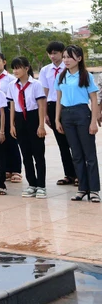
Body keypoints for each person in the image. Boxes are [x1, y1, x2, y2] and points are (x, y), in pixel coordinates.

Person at [55, 45, 101, 203]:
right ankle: (82, 188)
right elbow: (58, 99)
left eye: (70, 57)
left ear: (79, 59)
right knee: (76, 154)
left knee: (89, 155)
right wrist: (57, 119)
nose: (66, 60)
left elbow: (94, 99)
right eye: (65, 57)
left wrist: (93, 121)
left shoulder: (85, 76)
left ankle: (94, 190)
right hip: (67, 116)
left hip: (82, 114)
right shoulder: (61, 77)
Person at [9, 57, 48, 198]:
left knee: (38, 154)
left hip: (33, 118)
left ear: (26, 68)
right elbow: (12, 105)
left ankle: (41, 185)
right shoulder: (12, 85)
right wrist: (12, 124)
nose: (15, 71)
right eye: (13, 68)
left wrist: (41, 125)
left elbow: (41, 105)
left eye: (18, 67)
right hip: (20, 119)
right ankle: (32, 183)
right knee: (26, 155)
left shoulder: (36, 84)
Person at [40, 41, 77, 187]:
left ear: (62, 53)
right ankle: (69, 174)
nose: (52, 56)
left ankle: (80, 174)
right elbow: (44, 92)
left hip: (67, 105)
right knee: (62, 143)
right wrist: (44, 113)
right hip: (52, 106)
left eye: (55, 53)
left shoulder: (68, 67)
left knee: (73, 142)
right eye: (50, 53)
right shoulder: (45, 70)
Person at [0, 52, 22, 183]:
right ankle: (6, 169)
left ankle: (16, 170)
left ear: (4, 62)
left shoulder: (10, 79)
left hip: (8, 109)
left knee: (11, 140)